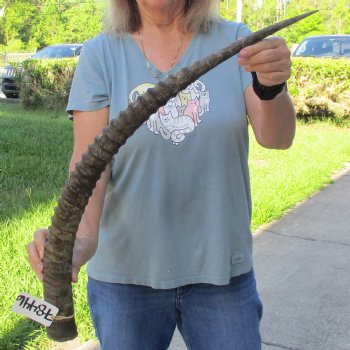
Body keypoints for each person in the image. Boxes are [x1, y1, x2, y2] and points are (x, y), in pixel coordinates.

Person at [27, 0, 296, 349]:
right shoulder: (100, 53)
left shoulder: (237, 40)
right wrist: (83, 240)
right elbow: (91, 163)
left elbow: (277, 138)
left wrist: (271, 87)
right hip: (125, 277)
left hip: (220, 269)